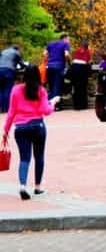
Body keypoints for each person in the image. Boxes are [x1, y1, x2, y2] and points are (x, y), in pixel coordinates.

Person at [2, 65, 58, 200]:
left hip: (20, 128)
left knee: (24, 158)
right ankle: (37, 187)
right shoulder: (41, 90)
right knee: (39, 157)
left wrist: (6, 129)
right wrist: (53, 103)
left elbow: (11, 112)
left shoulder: (16, 90)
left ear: (24, 75)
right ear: (38, 75)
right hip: (38, 126)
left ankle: (22, 186)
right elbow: (46, 110)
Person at [44, 34, 71, 105]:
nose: (69, 41)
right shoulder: (65, 44)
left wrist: (48, 61)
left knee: (51, 86)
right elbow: (66, 54)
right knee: (57, 86)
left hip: (49, 67)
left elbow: (44, 54)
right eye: (68, 39)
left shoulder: (51, 43)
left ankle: (48, 104)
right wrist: (68, 62)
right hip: (59, 66)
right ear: (64, 39)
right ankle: (55, 106)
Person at [0, 45, 23, 113]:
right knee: (8, 89)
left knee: (1, 90)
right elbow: (21, 64)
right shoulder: (16, 52)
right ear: (17, 49)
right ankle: (6, 109)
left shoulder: (3, 51)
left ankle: (1, 108)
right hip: (9, 71)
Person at [69, 41, 92, 110]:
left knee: (76, 87)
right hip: (82, 69)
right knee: (83, 87)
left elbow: (73, 59)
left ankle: (76, 105)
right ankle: (83, 105)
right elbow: (88, 62)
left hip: (74, 68)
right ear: (87, 46)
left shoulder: (76, 50)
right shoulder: (87, 51)